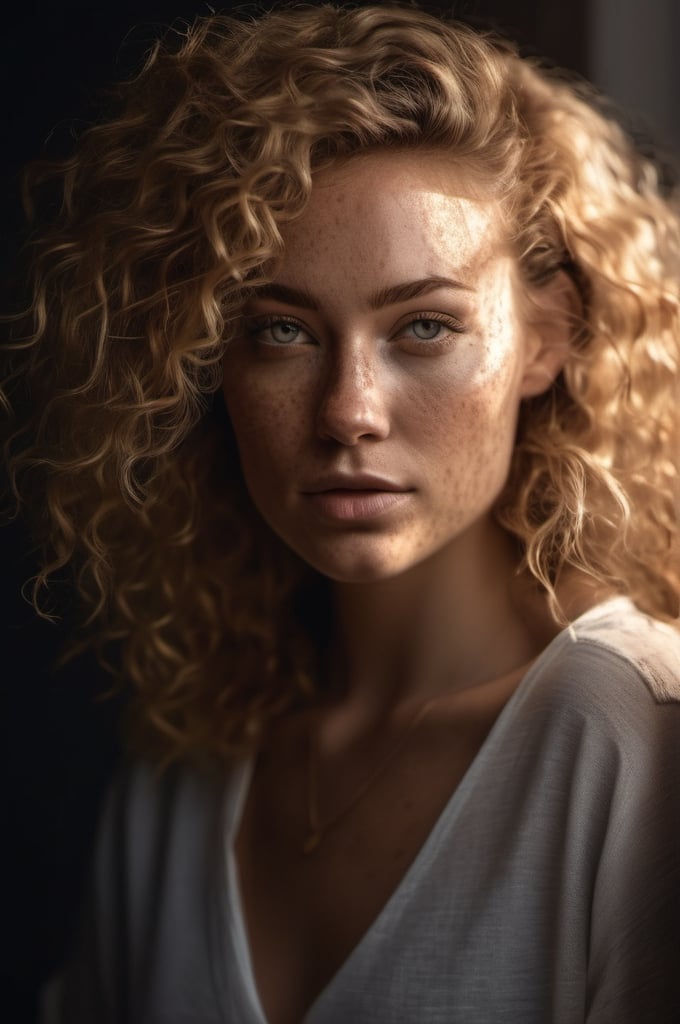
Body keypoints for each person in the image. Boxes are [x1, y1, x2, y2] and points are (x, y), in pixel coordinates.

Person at [3, 3, 679, 1022]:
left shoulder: (628, 734)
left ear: (548, 336)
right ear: (207, 360)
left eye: (422, 326)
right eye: (281, 329)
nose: (347, 413)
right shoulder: (185, 777)